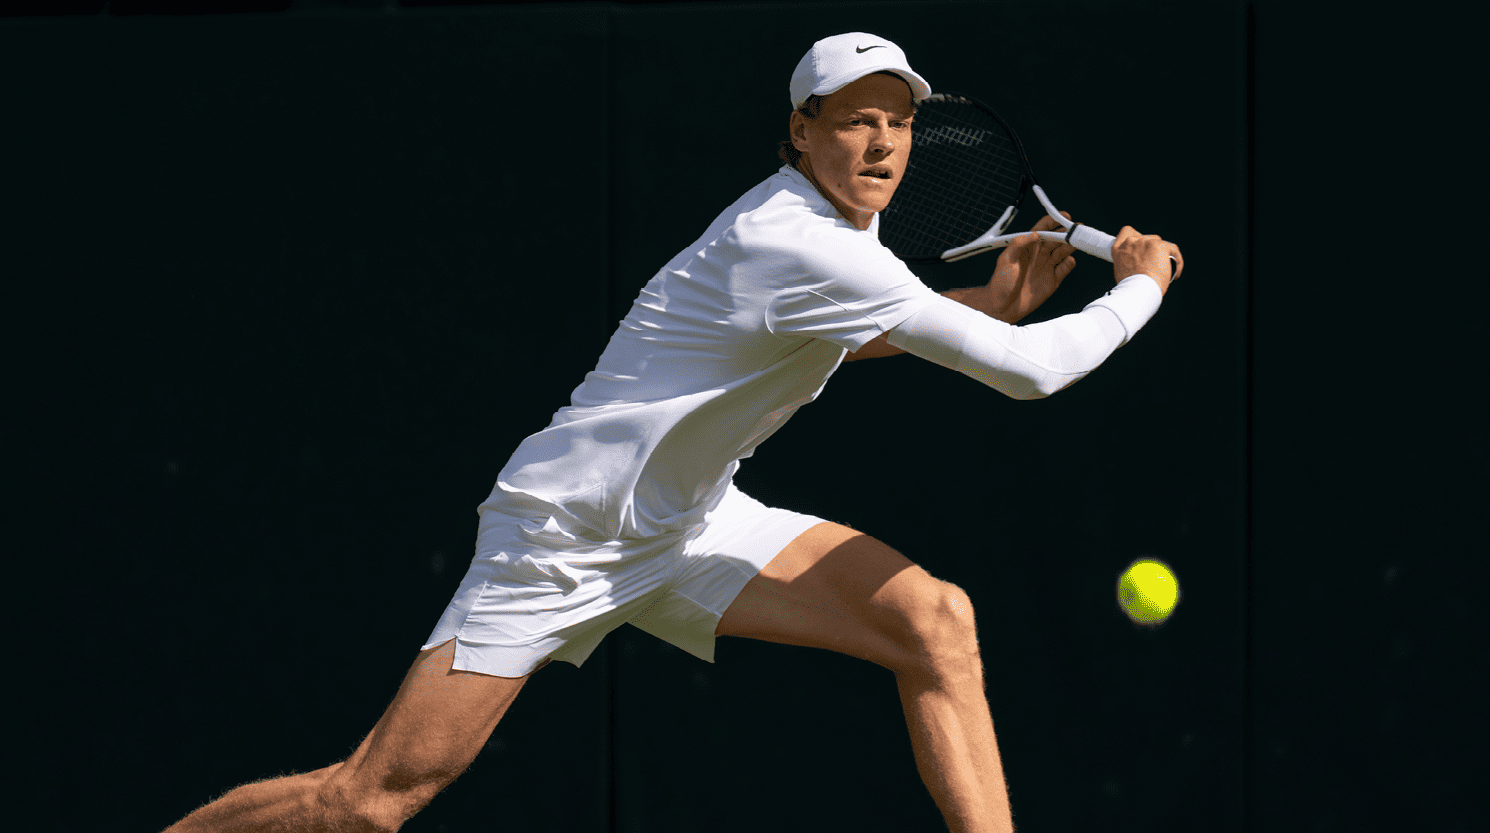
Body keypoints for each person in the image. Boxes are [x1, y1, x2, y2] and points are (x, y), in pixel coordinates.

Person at [163, 31, 1182, 833]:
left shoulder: (832, 241)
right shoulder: (800, 244)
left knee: (934, 620)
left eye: (897, 122)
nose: (879, 144)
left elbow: (812, 339)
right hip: (563, 534)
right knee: (369, 799)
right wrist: (1134, 290)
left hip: (689, 526)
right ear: (798, 131)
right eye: (852, 121)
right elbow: (1034, 375)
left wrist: (984, 303)